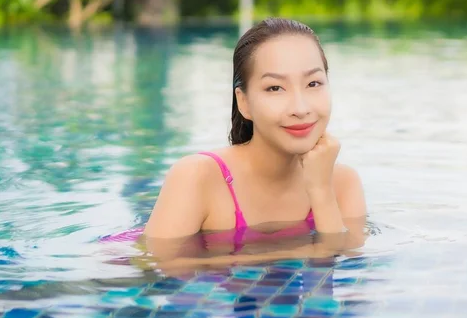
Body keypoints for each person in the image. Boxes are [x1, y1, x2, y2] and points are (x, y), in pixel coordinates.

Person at [101, 17, 367, 272]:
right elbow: (159, 267)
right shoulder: (198, 176)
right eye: (275, 88)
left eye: (313, 83)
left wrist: (320, 189)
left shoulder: (342, 183)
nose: (300, 107)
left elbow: (338, 267)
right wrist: (303, 252)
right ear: (244, 102)